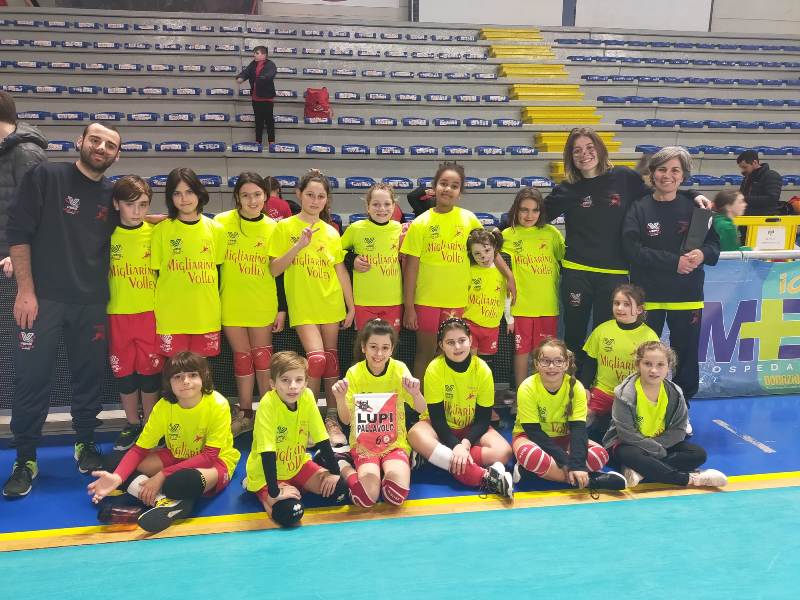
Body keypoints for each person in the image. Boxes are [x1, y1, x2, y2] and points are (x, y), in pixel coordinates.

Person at [4, 122, 121, 498]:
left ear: (117, 155)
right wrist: (25, 291)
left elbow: (138, 223)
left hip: (92, 302)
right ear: (80, 141)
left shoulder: (112, 195)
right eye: (95, 140)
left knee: (88, 377)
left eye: (110, 145)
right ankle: (25, 459)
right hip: (43, 300)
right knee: (32, 379)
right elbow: (18, 233)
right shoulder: (46, 176)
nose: (101, 148)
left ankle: (85, 442)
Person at [545, 128, 708, 376]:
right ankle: (573, 386)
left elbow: (660, 192)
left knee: (607, 336)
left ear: (600, 149)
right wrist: (498, 231)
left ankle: (600, 386)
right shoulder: (568, 189)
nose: (584, 154)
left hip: (614, 274)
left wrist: (693, 194)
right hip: (577, 272)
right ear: (570, 156)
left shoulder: (623, 177)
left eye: (589, 148)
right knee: (574, 334)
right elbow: (534, 214)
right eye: (577, 150)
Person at [87, 351, 240, 533]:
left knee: (180, 482)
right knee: (115, 463)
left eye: (192, 375)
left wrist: (162, 475)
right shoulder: (163, 407)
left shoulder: (218, 404)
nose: (185, 381)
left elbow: (209, 457)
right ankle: (165, 501)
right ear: (169, 382)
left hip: (215, 462)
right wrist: (117, 478)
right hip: (176, 455)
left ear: (203, 376)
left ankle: (165, 493)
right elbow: (139, 450)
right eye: (178, 377)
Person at [401, 162, 515, 385]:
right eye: (443, 183)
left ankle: (447, 398)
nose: (448, 189)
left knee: (450, 355)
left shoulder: (468, 219)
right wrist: (409, 307)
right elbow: (411, 268)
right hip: (426, 301)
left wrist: (509, 276)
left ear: (460, 192)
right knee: (425, 353)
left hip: (457, 301)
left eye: (454, 186)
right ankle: (419, 401)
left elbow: (489, 249)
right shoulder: (421, 223)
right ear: (434, 187)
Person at [622, 146, 720, 402]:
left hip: (686, 296)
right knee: (645, 355)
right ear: (652, 173)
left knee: (686, 356)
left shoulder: (696, 208)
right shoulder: (639, 208)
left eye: (675, 170)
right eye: (662, 169)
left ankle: (682, 406)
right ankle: (642, 404)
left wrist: (702, 254)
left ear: (683, 175)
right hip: (648, 296)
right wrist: (674, 262)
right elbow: (632, 249)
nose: (668, 175)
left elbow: (714, 246)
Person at [268, 170, 355, 447]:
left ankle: (331, 419)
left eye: (321, 196)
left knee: (331, 360)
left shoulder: (331, 231)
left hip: (330, 303)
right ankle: (309, 418)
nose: (315, 201)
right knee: (316, 359)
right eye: (310, 195)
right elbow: (274, 269)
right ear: (299, 194)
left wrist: (351, 306)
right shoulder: (284, 228)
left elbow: (340, 271)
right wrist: (299, 245)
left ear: (326, 200)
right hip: (303, 306)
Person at [407, 318, 514, 498]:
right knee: (414, 434)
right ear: (441, 345)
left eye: (462, 340)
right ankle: (487, 478)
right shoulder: (434, 369)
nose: (457, 347)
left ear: (470, 340)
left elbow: (483, 420)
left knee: (504, 452)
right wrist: (455, 445)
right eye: (450, 342)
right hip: (439, 427)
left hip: (471, 428)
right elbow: (437, 419)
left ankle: (437, 457)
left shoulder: (483, 370)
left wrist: (464, 445)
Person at [215, 172, 286, 437]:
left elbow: (279, 272)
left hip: (262, 303)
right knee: (242, 358)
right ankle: (245, 413)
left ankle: (266, 413)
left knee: (262, 358)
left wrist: (282, 308)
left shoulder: (273, 227)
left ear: (266, 196)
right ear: (237, 197)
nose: (252, 200)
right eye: (245, 195)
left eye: (257, 194)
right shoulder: (221, 223)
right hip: (231, 303)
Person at [244, 351, 350, 527]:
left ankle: (299, 485)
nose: (293, 386)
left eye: (298, 380)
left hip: (298, 465)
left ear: (306, 382)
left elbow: (321, 437)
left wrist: (334, 472)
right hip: (267, 475)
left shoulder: (307, 396)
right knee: (291, 513)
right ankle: (258, 491)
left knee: (340, 489)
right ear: (273, 384)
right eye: (285, 380)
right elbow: (267, 452)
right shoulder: (267, 405)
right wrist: (275, 492)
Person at [603, 342, 728, 489]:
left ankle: (640, 471)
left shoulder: (675, 393)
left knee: (698, 454)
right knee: (630, 454)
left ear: (669, 367)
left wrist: (656, 448)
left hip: (662, 442)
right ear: (638, 365)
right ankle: (692, 479)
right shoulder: (624, 394)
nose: (654, 370)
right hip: (629, 444)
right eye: (647, 364)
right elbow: (626, 434)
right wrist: (656, 450)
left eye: (660, 364)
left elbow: (679, 429)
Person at [332, 319, 426, 508]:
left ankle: (400, 463)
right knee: (365, 499)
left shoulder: (399, 369)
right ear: (363, 347)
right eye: (373, 347)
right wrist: (340, 399)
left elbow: (421, 409)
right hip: (364, 445)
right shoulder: (354, 373)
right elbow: (346, 420)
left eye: (385, 348)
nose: (379, 353)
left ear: (392, 349)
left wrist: (416, 393)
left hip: (394, 444)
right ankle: (344, 465)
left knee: (396, 496)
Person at [512, 337, 626, 492]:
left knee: (600, 455)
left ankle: (532, 473)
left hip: (565, 439)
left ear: (566, 364)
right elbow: (533, 432)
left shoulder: (576, 387)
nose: (551, 366)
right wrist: (567, 461)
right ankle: (592, 481)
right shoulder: (527, 387)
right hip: (531, 438)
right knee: (530, 455)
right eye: (545, 361)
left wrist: (576, 464)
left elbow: (578, 429)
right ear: (537, 364)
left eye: (558, 361)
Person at [107, 175, 163, 451]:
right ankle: (131, 423)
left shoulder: (156, 233)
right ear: (116, 204)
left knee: (150, 373)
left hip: (150, 314)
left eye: (143, 205)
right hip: (116, 315)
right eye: (130, 205)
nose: (137, 211)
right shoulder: (106, 235)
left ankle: (151, 424)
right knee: (125, 374)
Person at [150, 168, 226, 359]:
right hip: (171, 317)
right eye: (177, 193)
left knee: (201, 372)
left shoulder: (216, 229)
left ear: (199, 192)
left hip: (205, 316)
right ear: (170, 197)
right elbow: (157, 273)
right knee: (175, 371)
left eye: (189, 192)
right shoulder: (161, 231)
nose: (184, 199)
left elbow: (218, 270)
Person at [501, 187, 564, 391]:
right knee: (521, 352)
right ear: (516, 210)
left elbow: (565, 259)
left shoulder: (551, 234)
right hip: (521, 305)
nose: (529, 215)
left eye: (535, 210)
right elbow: (491, 255)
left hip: (547, 305)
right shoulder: (507, 235)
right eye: (524, 210)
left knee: (544, 354)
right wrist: (509, 276)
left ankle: (542, 392)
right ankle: (522, 395)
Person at [581, 284, 659, 443]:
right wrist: (584, 387)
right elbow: (590, 361)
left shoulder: (649, 337)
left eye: (627, 304)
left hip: (632, 396)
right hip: (602, 392)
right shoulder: (602, 330)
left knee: (634, 434)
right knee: (578, 421)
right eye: (616, 303)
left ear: (639, 309)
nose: (620, 308)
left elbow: (653, 374)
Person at [341, 183, 404, 359]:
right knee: (365, 350)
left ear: (394, 206)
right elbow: (335, 251)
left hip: (393, 301)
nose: (381, 209)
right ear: (367, 207)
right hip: (364, 302)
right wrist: (352, 258)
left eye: (387, 204)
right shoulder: (356, 228)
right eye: (376, 204)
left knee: (388, 351)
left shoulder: (400, 229)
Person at [0, 90, 47, 274]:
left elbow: (40, 214)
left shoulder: (26, 153)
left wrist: (18, 255)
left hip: (11, 264)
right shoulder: (5, 150)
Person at [463, 228, 508, 372]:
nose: (483, 256)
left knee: (485, 367)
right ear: (471, 254)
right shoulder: (469, 271)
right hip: (470, 324)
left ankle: (485, 386)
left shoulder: (502, 273)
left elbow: (507, 296)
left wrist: (510, 318)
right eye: (477, 253)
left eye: (487, 251)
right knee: (469, 364)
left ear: (494, 248)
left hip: (492, 327)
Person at [236, 45, 277, 146]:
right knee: (258, 121)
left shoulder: (270, 64)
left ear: (264, 55)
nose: (254, 55)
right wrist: (241, 78)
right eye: (254, 53)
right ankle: (258, 141)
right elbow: (246, 72)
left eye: (257, 53)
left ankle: (271, 141)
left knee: (269, 121)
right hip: (255, 98)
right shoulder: (253, 64)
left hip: (267, 98)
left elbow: (269, 75)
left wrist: (259, 78)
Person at [737, 150, 784, 216]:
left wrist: (743, 199)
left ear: (754, 162)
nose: (742, 171)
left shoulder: (771, 175)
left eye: (745, 167)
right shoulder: (746, 178)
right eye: (741, 168)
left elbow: (772, 199)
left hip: (764, 218)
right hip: (747, 217)